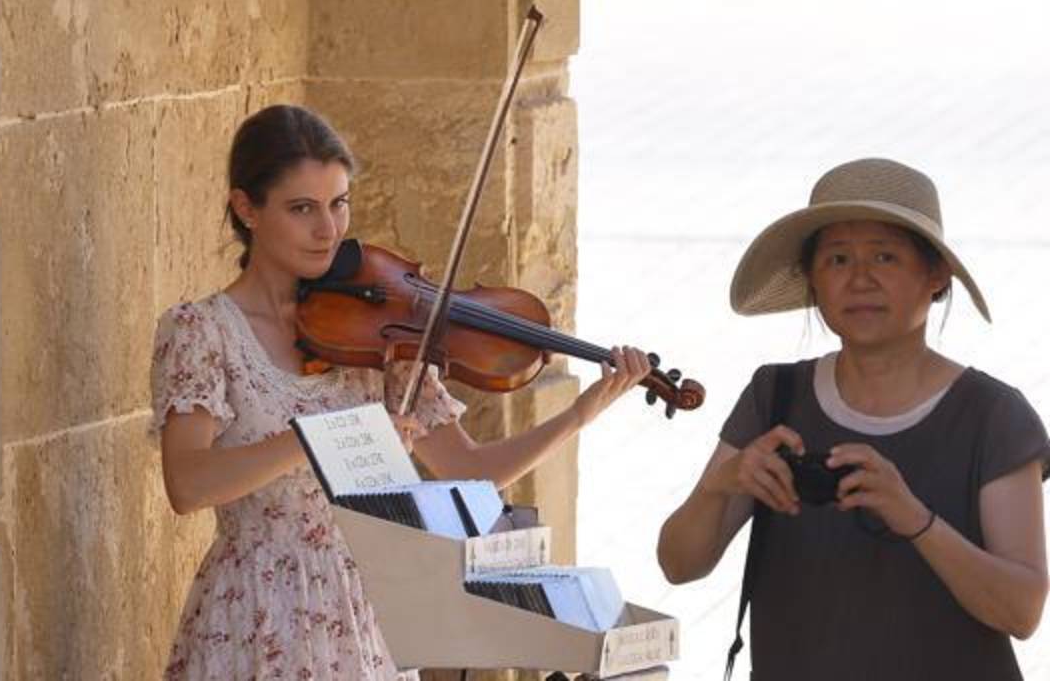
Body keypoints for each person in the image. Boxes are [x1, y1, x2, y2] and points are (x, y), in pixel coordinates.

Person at [149, 104, 652, 680]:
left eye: (338, 204)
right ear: (246, 208)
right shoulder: (200, 331)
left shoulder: (378, 334)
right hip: (254, 615)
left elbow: (469, 468)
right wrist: (326, 439)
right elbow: (188, 485)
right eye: (301, 209)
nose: (328, 230)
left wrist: (579, 415)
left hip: (364, 617)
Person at [657, 158, 1049, 680]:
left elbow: (1021, 611)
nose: (860, 279)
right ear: (813, 283)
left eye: (885, 257)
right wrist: (717, 487)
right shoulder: (775, 395)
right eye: (838, 260)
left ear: (936, 276)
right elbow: (679, 565)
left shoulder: (993, 415)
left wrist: (914, 517)